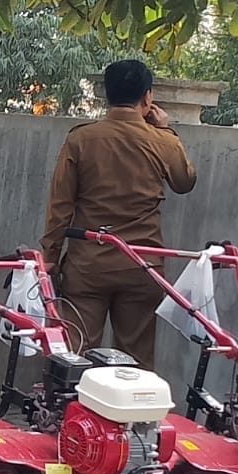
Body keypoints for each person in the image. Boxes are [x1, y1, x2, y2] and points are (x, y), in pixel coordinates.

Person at [40, 59, 197, 369]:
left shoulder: (81, 139)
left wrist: (50, 259)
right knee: (135, 363)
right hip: (142, 265)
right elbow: (184, 182)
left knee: (74, 357)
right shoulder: (162, 141)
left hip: (88, 266)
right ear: (148, 97)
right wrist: (167, 132)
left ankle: (70, 400)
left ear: (107, 95)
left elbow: (60, 206)